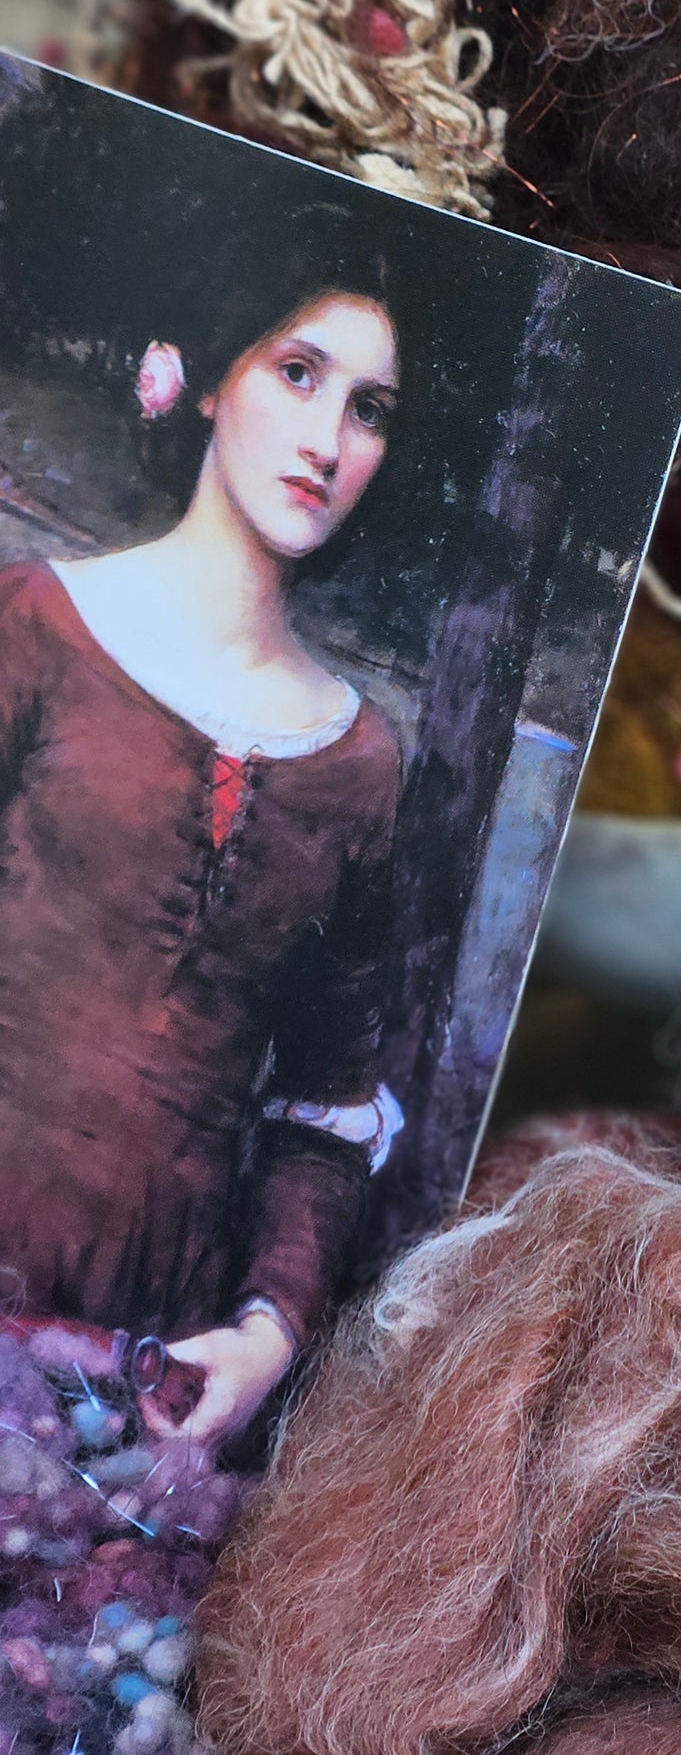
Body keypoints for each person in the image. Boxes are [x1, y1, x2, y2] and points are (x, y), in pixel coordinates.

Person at [0, 241, 409, 1454]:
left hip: (138, 1371)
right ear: (208, 379)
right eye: (298, 372)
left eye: (370, 409)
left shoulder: (361, 764)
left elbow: (324, 1110)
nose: (328, 439)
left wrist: (267, 1332)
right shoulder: (36, 625)